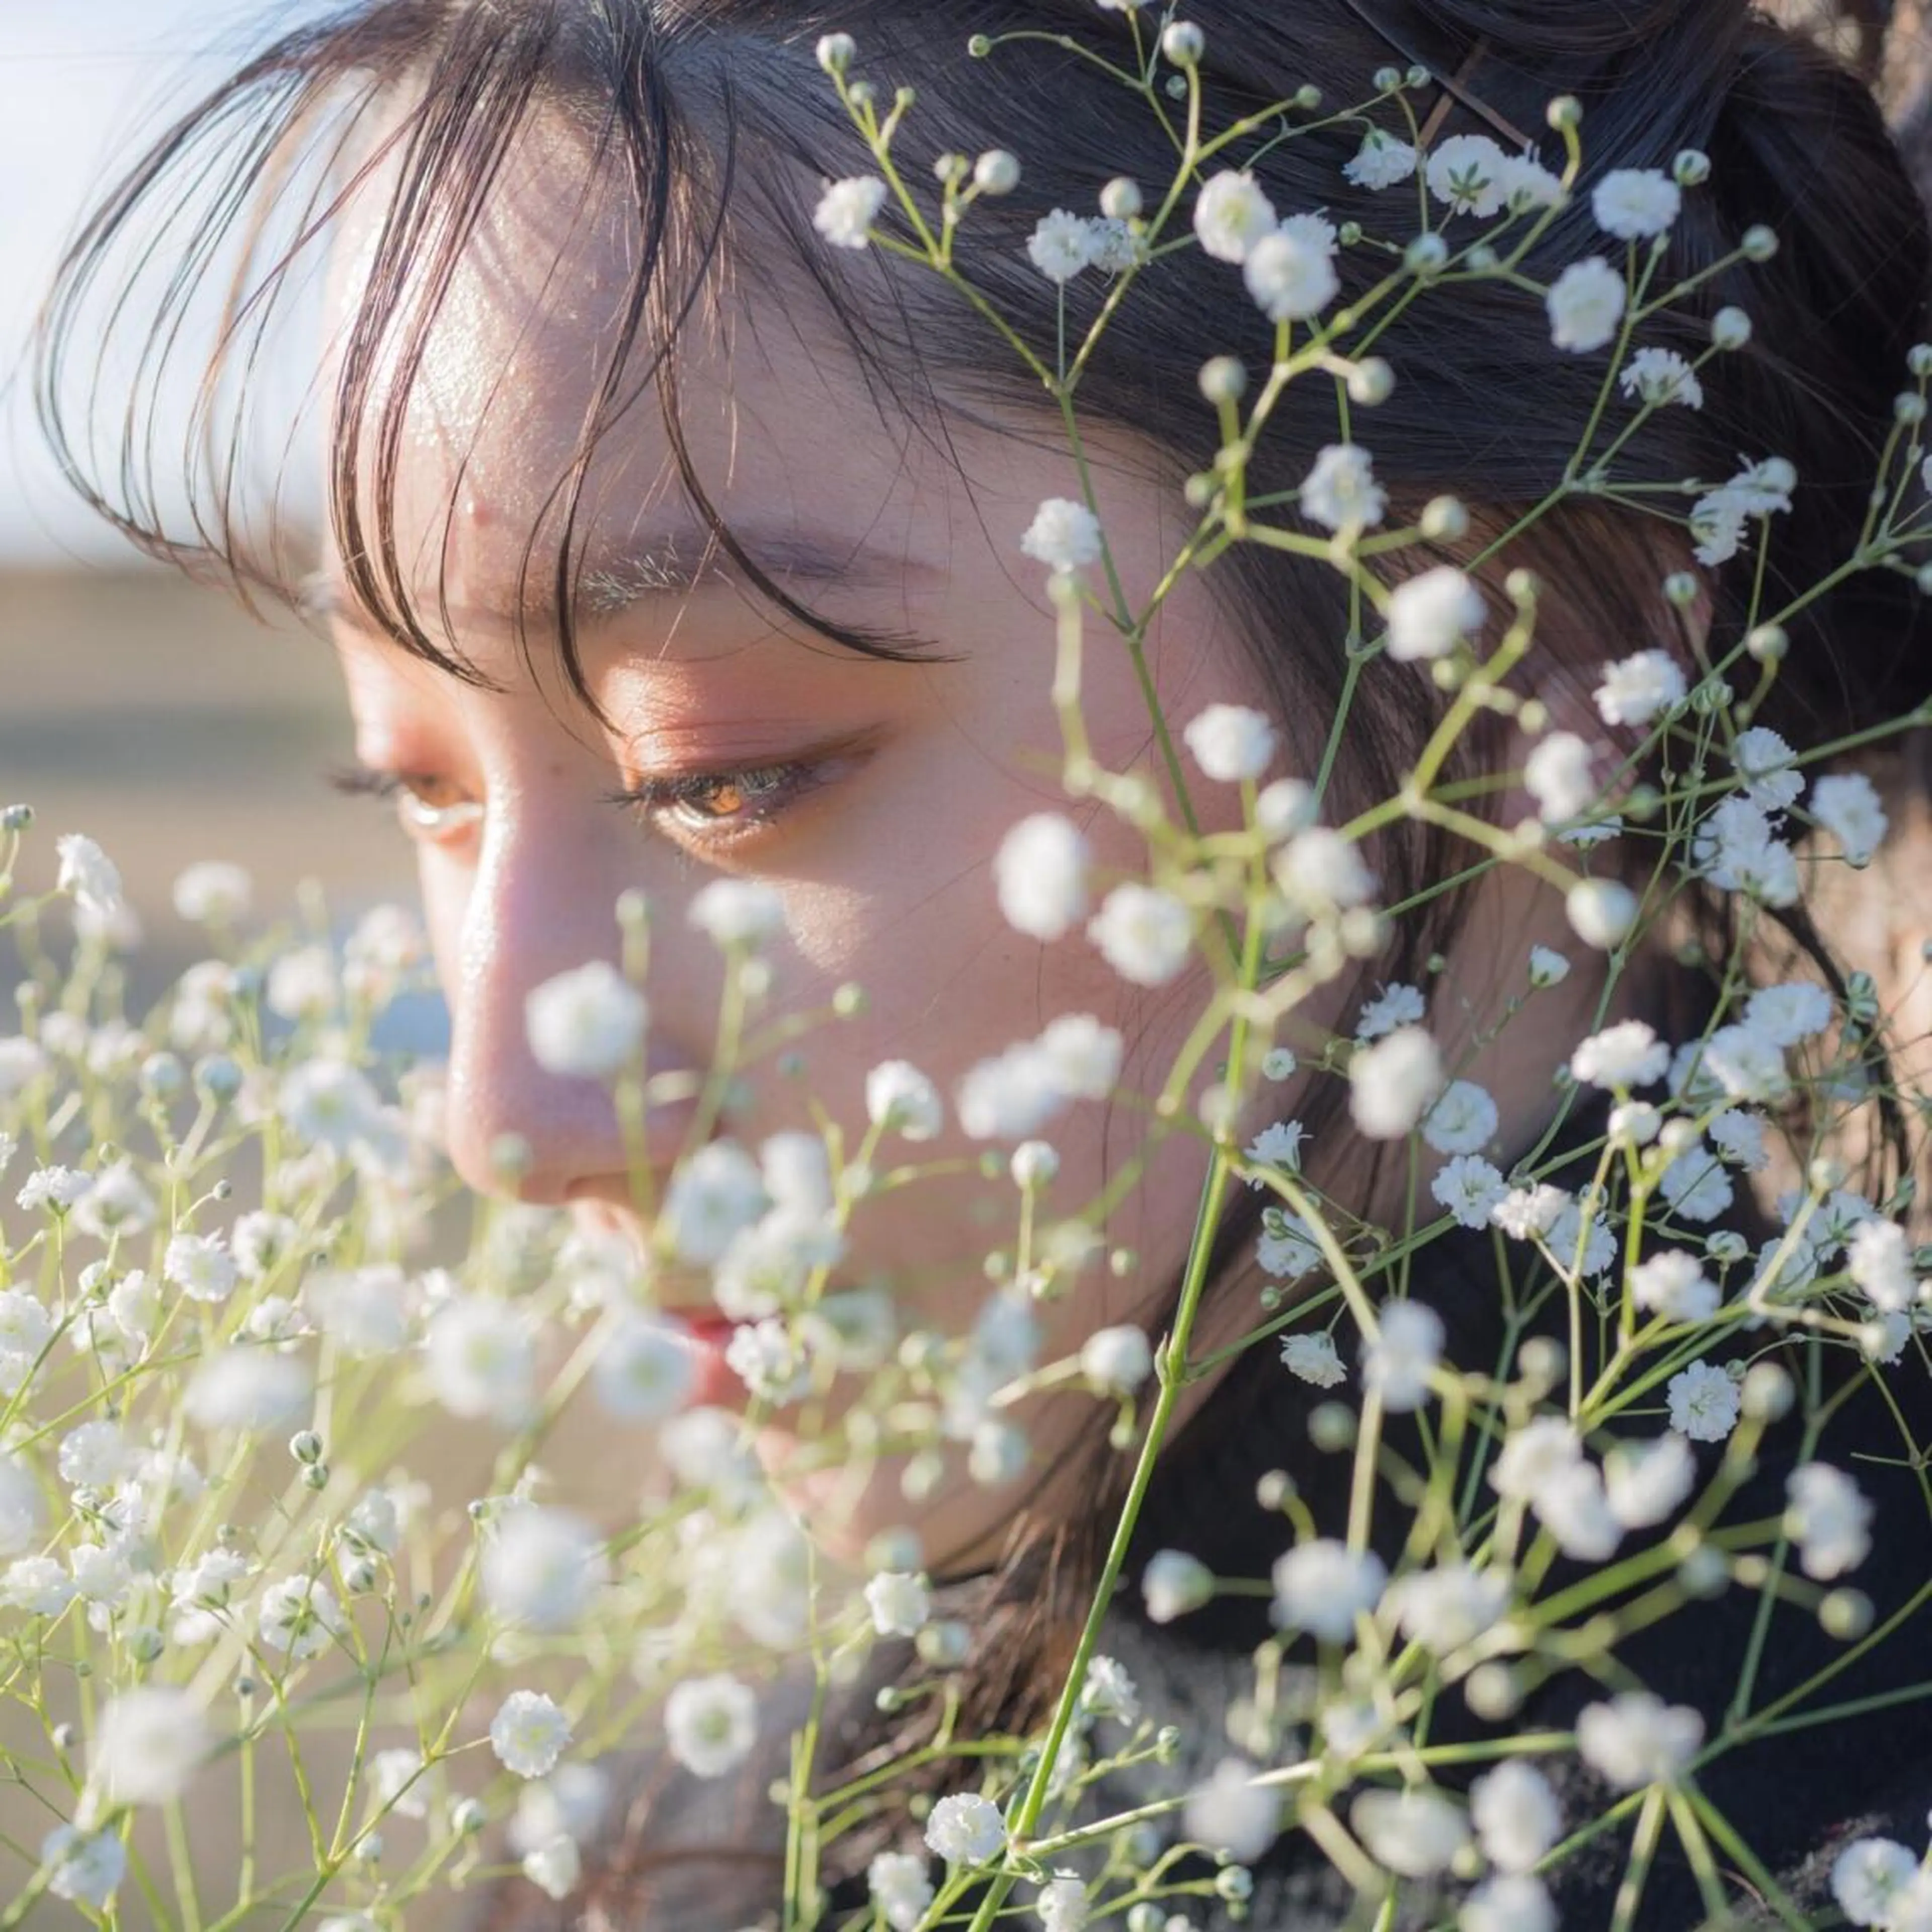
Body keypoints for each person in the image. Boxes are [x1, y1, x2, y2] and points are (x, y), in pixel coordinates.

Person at [34, 0, 1932, 1925]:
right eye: (417, 794)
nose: (506, 1117)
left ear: (1527, 646)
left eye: (724, 774)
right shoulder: (687, 1854)